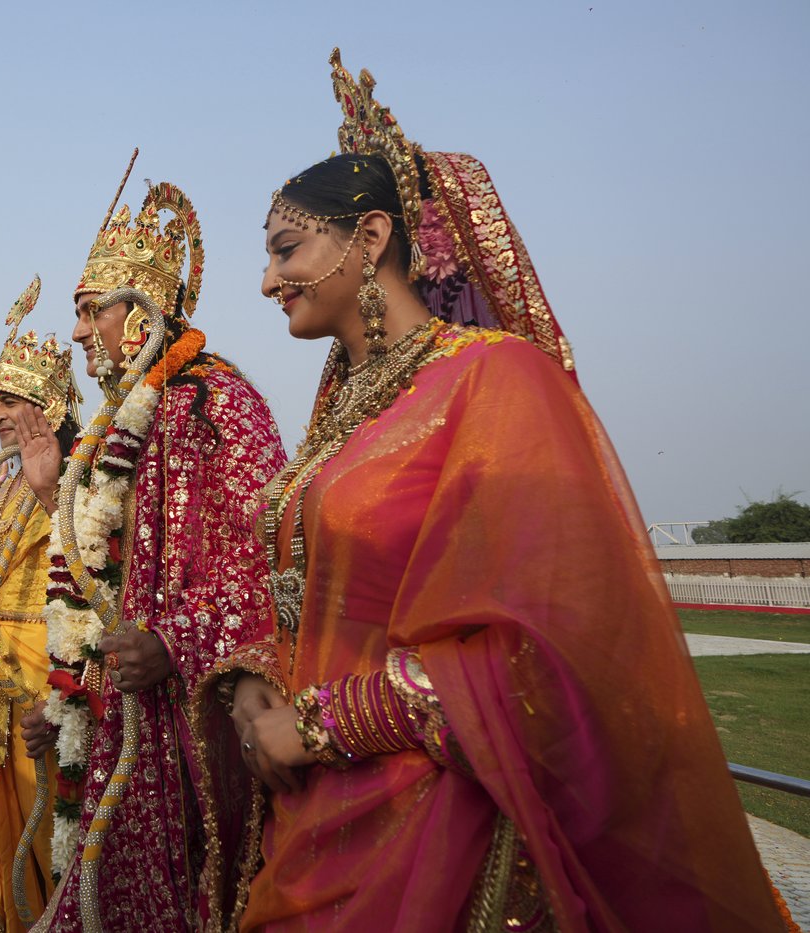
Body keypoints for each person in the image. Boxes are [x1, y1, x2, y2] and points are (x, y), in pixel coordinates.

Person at [210, 49, 785, 931]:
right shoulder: (336, 420)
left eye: (287, 249)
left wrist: (326, 725)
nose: (265, 280)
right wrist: (254, 691)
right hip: (307, 818)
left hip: (436, 824)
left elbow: (549, 644)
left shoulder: (493, 381)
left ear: (368, 239)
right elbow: (308, 598)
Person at [15, 168, 285, 932]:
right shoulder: (117, 424)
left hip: (196, 731)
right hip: (118, 722)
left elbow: (267, 574)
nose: (77, 334)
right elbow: (105, 579)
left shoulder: (216, 402)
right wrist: (47, 497)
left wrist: (173, 642)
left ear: (139, 314)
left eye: (88, 311)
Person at [0, 276, 81, 933]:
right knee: (3, 844)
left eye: (15, 401)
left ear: (50, 405)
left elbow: (94, 577)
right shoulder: (0, 489)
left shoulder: (80, 473)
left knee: (55, 838)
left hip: (49, 679)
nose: (1, 414)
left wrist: (54, 484)